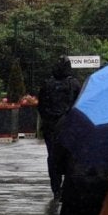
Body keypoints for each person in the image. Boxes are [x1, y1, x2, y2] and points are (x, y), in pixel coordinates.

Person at [37, 58, 85, 199]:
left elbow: (41, 106)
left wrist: (48, 119)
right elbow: (79, 105)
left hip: (51, 127)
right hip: (69, 126)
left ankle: (56, 187)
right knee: (70, 156)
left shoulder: (47, 84)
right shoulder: (74, 84)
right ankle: (66, 186)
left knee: (53, 157)